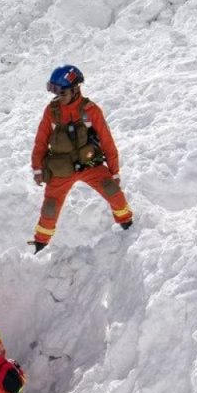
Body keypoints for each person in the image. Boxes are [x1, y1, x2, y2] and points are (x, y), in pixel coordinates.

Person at [30, 65, 133, 253]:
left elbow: (107, 141)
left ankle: (128, 225)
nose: (58, 97)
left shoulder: (91, 110)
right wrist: (37, 169)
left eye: (62, 92)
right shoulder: (51, 111)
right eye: (54, 92)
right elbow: (41, 141)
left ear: (76, 89)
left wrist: (114, 171)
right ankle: (40, 244)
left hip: (89, 165)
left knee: (114, 192)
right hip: (61, 170)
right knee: (50, 209)